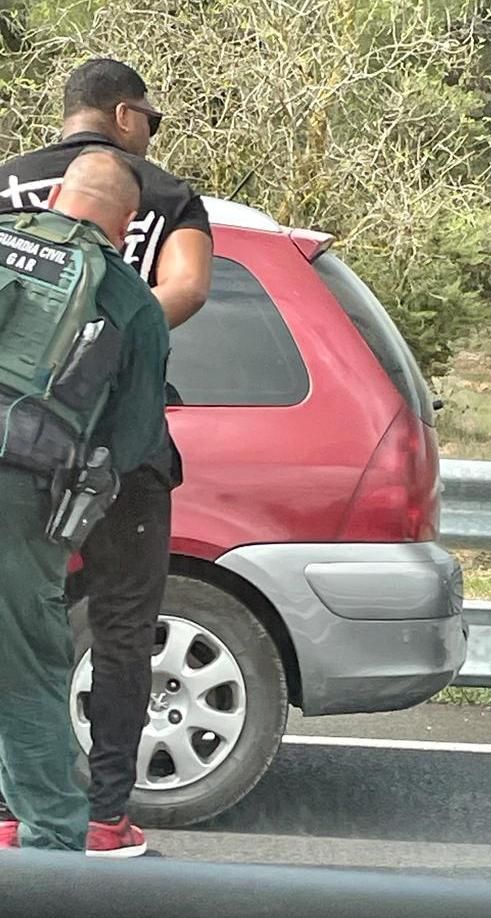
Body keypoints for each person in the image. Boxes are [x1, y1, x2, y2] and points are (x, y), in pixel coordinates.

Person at [0, 58, 212, 857]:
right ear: (126, 117)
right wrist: (105, 344)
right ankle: (93, 818)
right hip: (83, 462)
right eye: (150, 121)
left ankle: (9, 806)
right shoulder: (163, 195)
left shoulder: (6, 188)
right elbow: (186, 289)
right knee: (110, 634)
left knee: (13, 633)